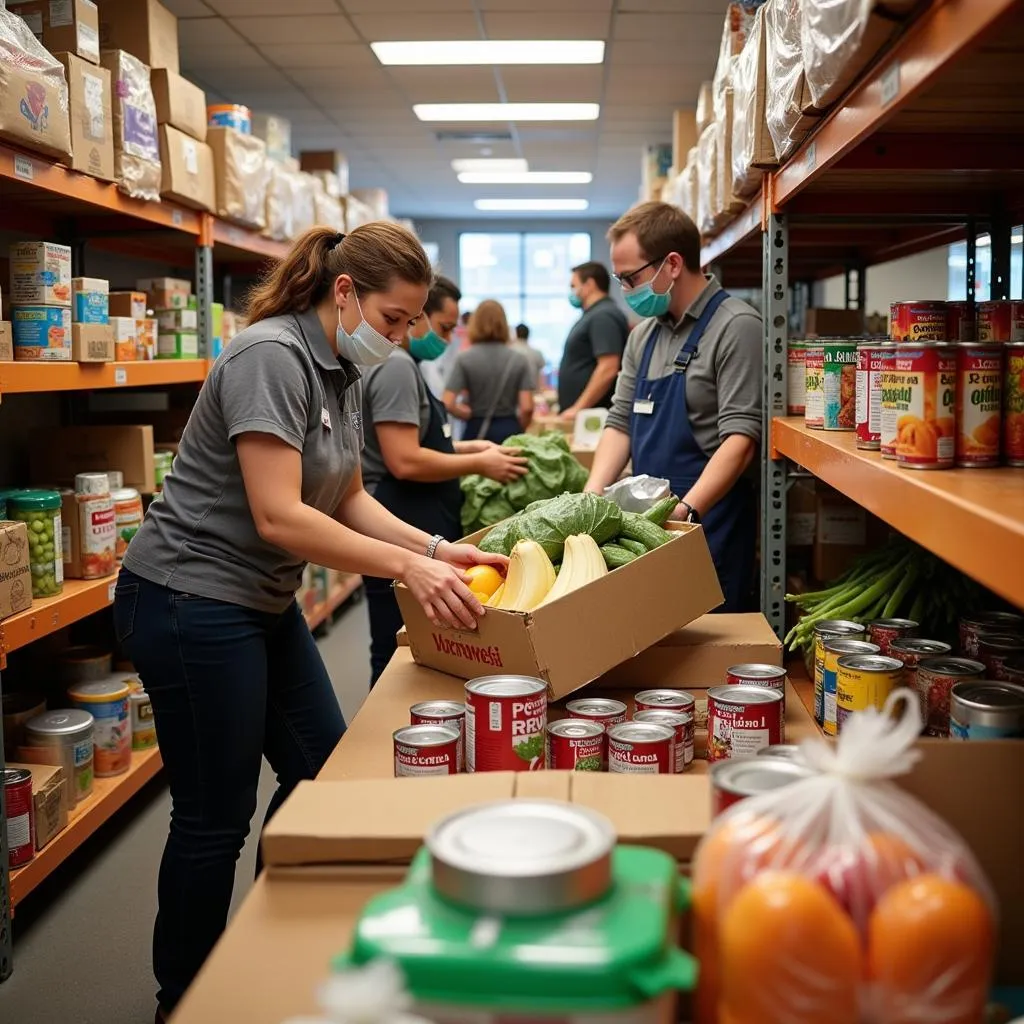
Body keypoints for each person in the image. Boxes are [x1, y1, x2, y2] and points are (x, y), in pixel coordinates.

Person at [112, 224, 507, 1021]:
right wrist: (405, 568)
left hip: (259, 599)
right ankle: (183, 1000)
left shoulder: (342, 369)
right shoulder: (271, 356)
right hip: (191, 599)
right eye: (394, 319)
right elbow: (279, 515)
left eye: (410, 324)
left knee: (320, 773)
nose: (403, 337)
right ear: (344, 292)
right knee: (214, 816)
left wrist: (438, 547)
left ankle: (269, 937)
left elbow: (348, 494)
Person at [585, 201, 762, 612]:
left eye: (630, 278)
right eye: (620, 279)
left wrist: (685, 512)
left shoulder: (736, 326)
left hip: (707, 524)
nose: (626, 291)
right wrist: (591, 495)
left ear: (673, 264)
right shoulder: (643, 336)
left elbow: (741, 440)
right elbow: (620, 422)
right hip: (647, 525)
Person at [361, 276, 528, 683]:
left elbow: (419, 443)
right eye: (444, 326)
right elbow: (404, 460)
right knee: (400, 641)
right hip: (405, 510)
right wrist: (478, 465)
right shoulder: (397, 366)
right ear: (417, 317)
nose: (449, 338)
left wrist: (474, 449)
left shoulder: (407, 365)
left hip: (412, 514)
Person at [443, 299, 535, 443]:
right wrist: (518, 427)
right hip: (510, 431)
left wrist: (469, 415)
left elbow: (448, 402)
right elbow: (527, 407)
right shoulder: (519, 359)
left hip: (476, 431)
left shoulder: (464, 358)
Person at [558, 260, 629, 421]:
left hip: (593, 417)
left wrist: (578, 408)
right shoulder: (594, 314)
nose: (572, 292)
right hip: (587, 415)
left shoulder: (603, 316)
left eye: (573, 286)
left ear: (589, 284)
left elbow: (608, 367)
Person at [511, 322, 546, 388]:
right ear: (528, 335)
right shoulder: (537, 353)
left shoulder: (510, 351)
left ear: (516, 334)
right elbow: (541, 377)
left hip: (513, 392)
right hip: (533, 391)